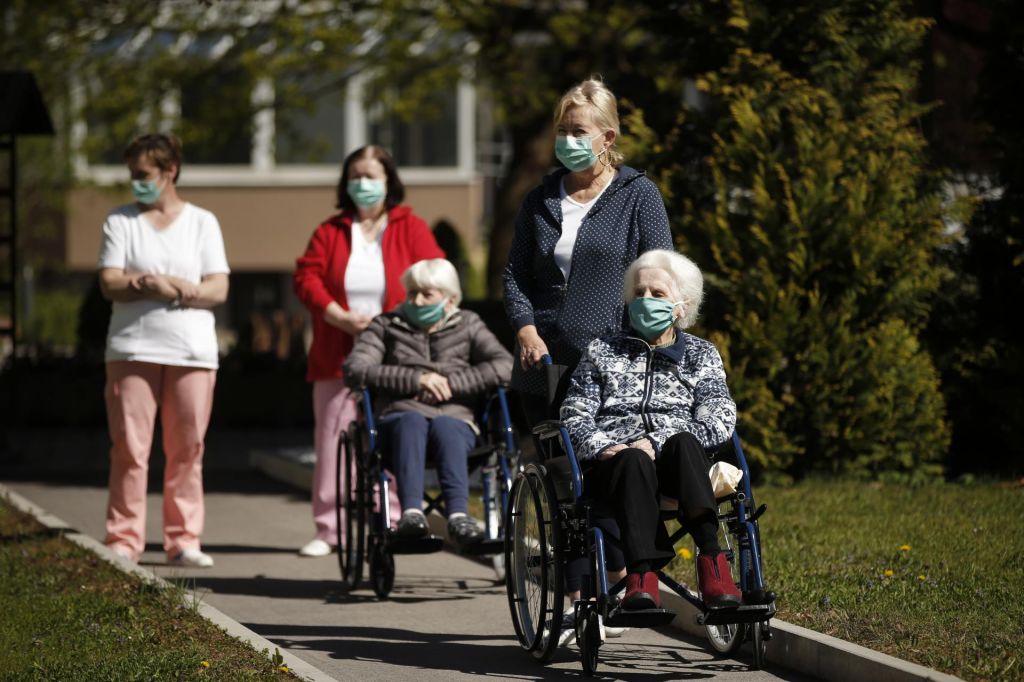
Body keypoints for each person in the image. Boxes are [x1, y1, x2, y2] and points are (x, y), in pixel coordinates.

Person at [503, 76, 673, 641]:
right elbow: (514, 276)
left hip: (616, 372)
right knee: (566, 485)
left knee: (607, 473)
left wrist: (643, 345)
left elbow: (657, 273)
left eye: (579, 131)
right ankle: (580, 597)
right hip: (546, 371)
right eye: (562, 131)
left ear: (608, 137)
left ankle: (618, 575)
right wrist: (526, 329)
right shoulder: (540, 198)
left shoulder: (636, 195)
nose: (568, 141)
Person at [561, 249, 742, 611]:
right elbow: (574, 412)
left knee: (682, 441)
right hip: (617, 468)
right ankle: (641, 578)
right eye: (638, 293)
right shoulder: (602, 352)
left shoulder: (701, 356)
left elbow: (720, 416)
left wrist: (656, 441)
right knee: (632, 459)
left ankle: (713, 563)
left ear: (681, 306)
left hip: (679, 470)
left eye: (657, 294)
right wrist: (603, 446)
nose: (644, 301)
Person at [293, 145, 444, 557]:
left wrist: (398, 318)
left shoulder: (410, 227)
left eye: (371, 176)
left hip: (396, 352)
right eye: (355, 176)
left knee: (393, 432)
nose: (362, 184)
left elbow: (436, 273)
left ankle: (392, 516)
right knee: (332, 436)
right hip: (337, 348)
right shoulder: (330, 230)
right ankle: (329, 528)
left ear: (388, 182)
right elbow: (306, 277)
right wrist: (337, 315)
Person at [97, 132, 230, 568]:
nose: (136, 182)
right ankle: (123, 538)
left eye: (143, 174)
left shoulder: (202, 222)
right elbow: (109, 282)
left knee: (187, 447)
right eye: (132, 174)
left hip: (191, 351)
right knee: (130, 447)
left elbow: (218, 287)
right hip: (132, 349)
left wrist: (173, 289)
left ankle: (183, 539)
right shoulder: (120, 221)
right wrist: (145, 284)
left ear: (169, 171)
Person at [343, 259, 513, 545]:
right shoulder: (386, 325)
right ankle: (411, 514)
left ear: (450, 300)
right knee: (410, 420)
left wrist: (453, 383)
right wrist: (416, 380)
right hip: (399, 419)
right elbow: (355, 369)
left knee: (447, 425)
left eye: (426, 294)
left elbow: (504, 365)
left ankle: (459, 517)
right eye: (412, 293)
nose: (416, 300)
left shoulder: (469, 324)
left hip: (455, 418)